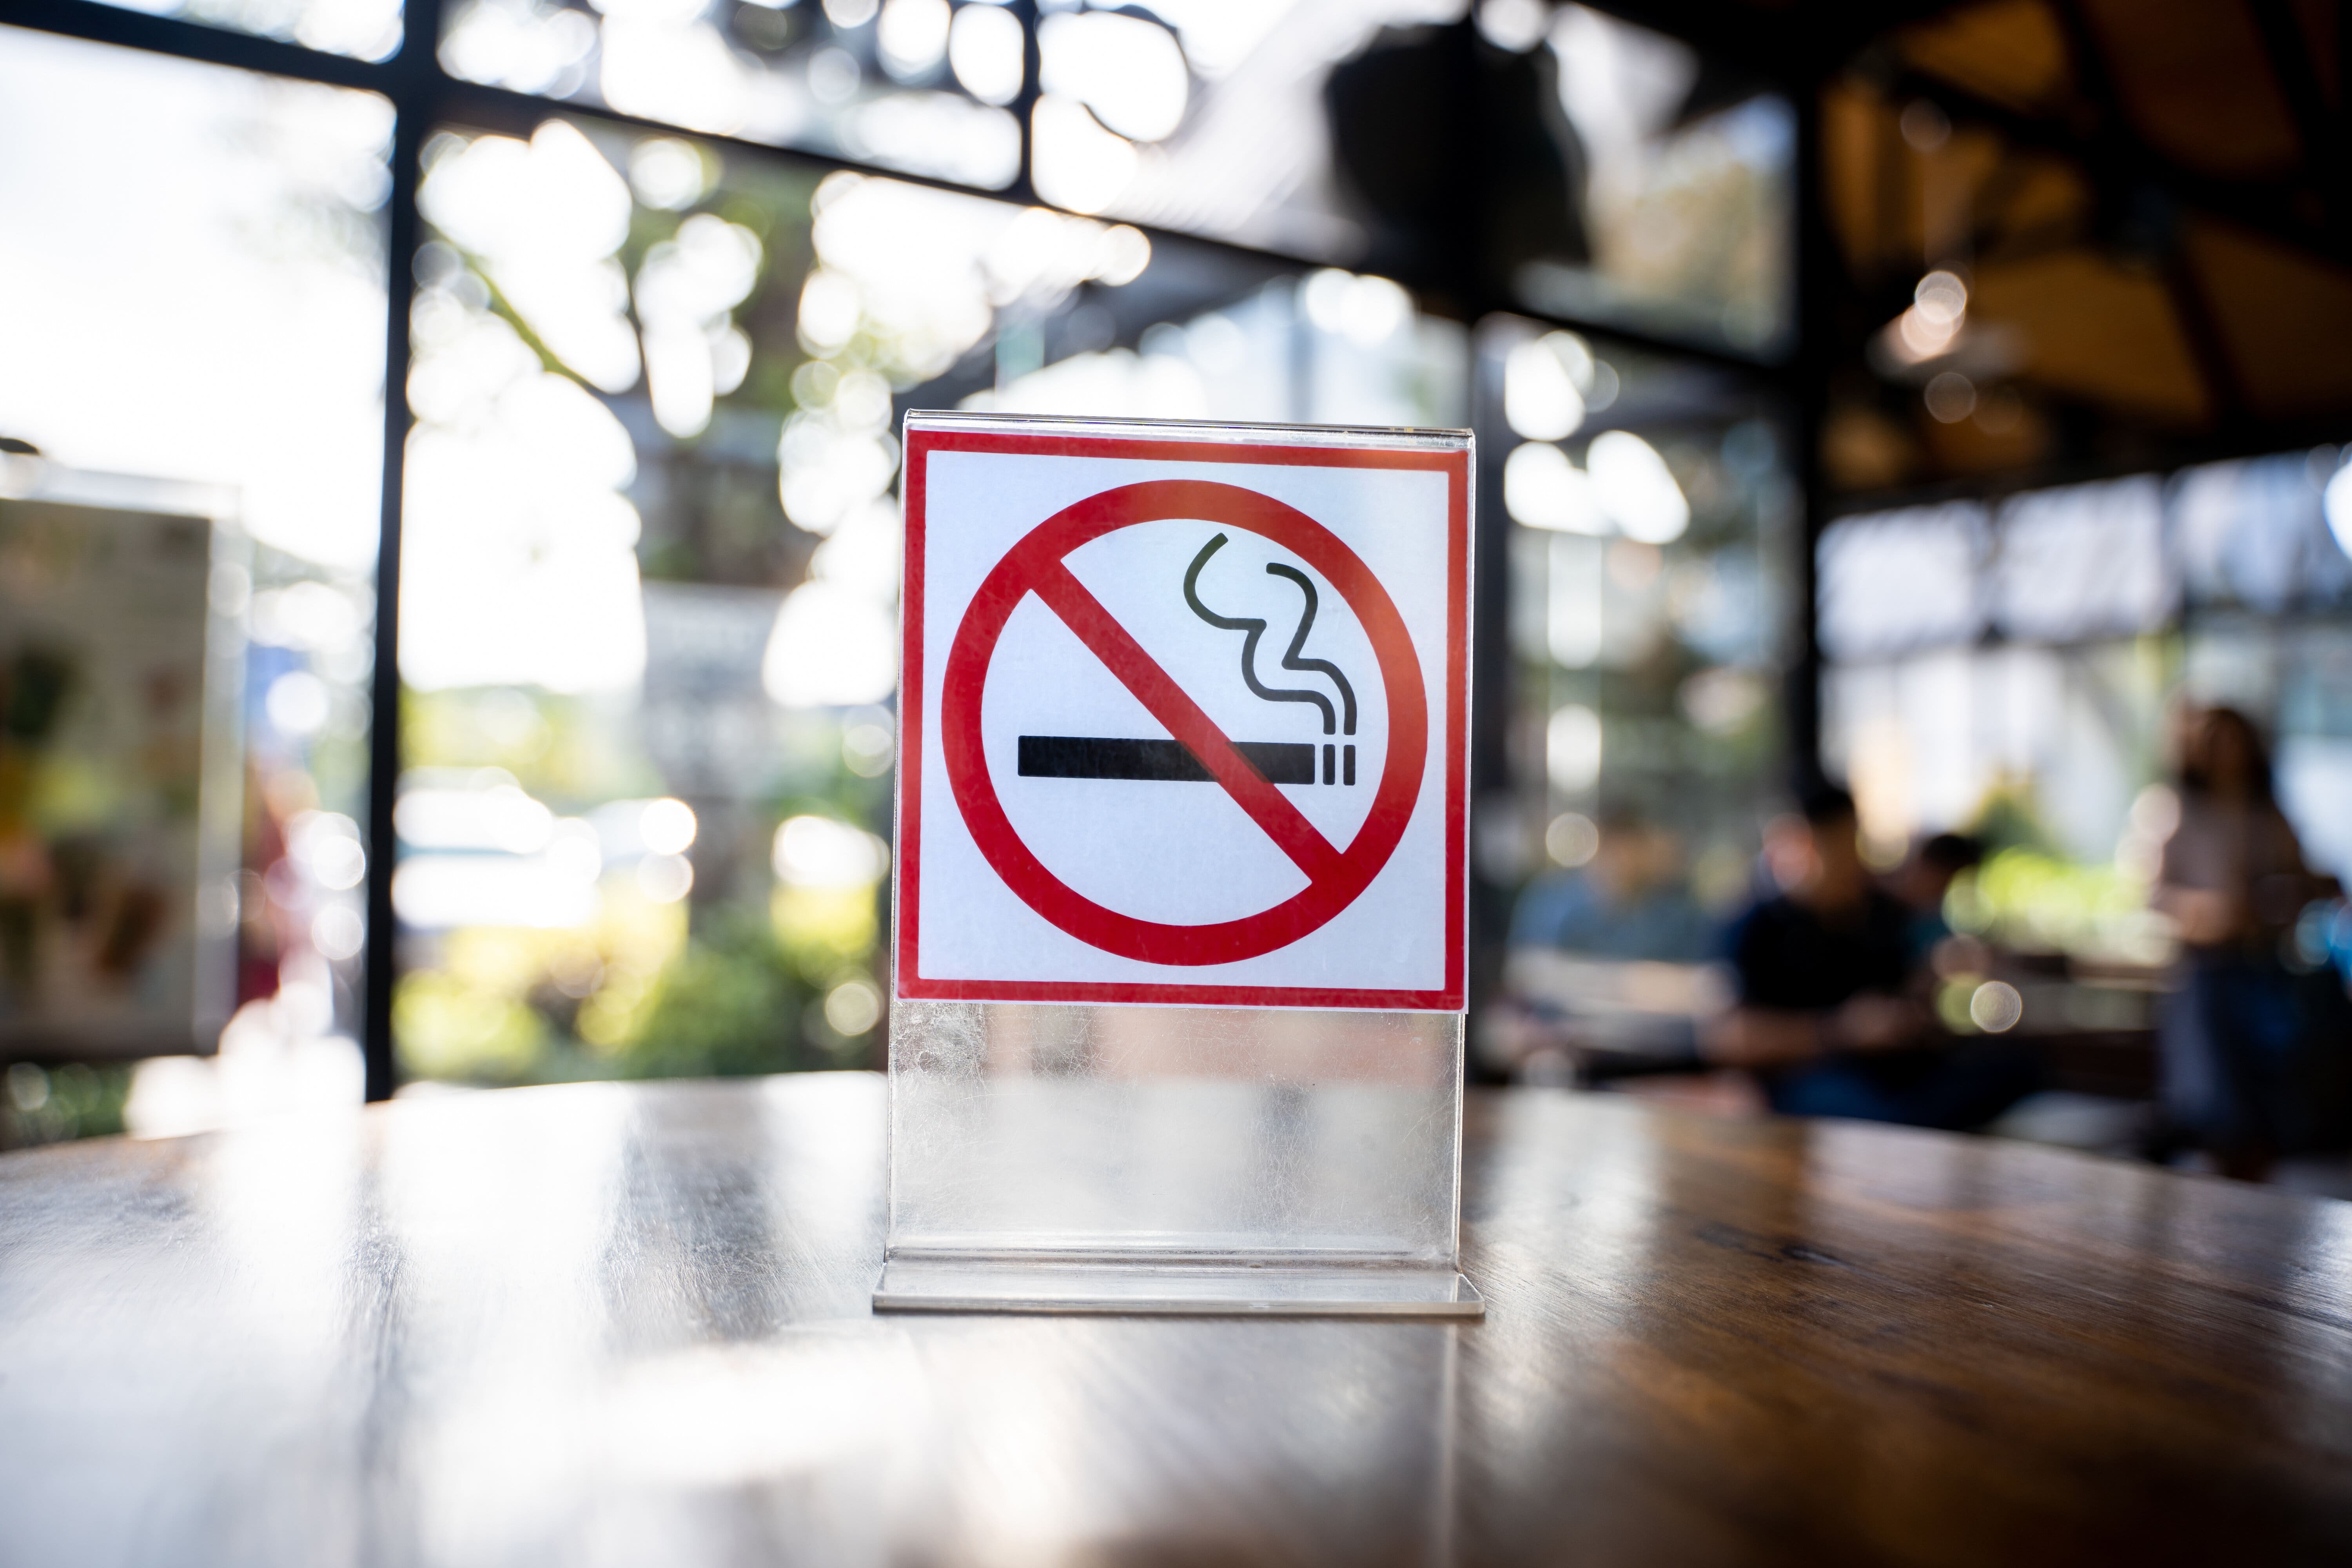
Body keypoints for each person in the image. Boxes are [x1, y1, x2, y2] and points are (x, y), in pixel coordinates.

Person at [1704, 785, 2038, 1130]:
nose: (1854, 858)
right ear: (1801, 844)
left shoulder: (1877, 915)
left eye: (1854, 841)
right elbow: (1730, 1040)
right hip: (1810, 1077)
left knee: (2015, 1067)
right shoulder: (1757, 925)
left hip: (1895, 1070)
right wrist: (1840, 1031)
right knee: (1900, 1122)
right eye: (1839, 844)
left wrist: (1928, 990)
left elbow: (1905, 991)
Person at [2151, 706, 2345, 1176]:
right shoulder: (2179, 810)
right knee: (2218, 1101)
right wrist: (2208, 910)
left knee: (2268, 1099)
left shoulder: (2268, 812)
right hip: (2208, 970)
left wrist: (2288, 895)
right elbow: (2157, 893)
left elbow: (2306, 877)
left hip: (2265, 968)